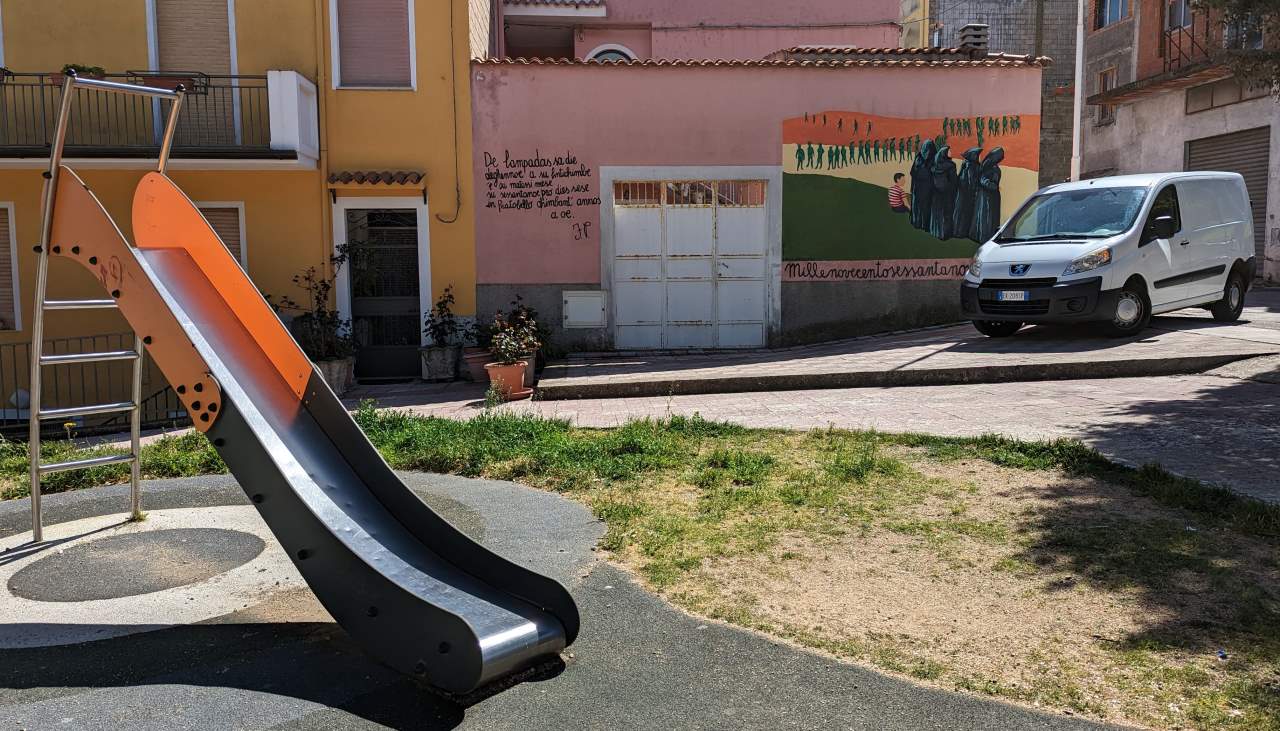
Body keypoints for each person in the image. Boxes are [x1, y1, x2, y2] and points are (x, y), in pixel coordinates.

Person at [972, 147, 1005, 243]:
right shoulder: (993, 168)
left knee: (985, 217)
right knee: (988, 218)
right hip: (989, 197)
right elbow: (984, 180)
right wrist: (994, 186)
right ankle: (985, 237)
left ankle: (983, 236)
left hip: (986, 196)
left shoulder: (986, 165)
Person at [929, 144, 959, 240]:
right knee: (947, 213)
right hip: (948, 194)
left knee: (937, 212)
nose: (951, 153)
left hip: (937, 194)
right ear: (945, 153)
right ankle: (945, 234)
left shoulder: (935, 166)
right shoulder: (951, 166)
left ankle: (936, 231)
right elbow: (954, 181)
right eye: (949, 151)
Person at [953, 147, 983, 241]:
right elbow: (972, 182)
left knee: (960, 212)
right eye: (979, 156)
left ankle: (958, 231)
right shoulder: (973, 166)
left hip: (962, 194)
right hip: (968, 195)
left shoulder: (965, 164)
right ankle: (962, 232)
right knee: (966, 213)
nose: (980, 158)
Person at [909, 139, 936, 232]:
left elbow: (913, 173)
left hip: (922, 188)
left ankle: (919, 223)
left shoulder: (919, 157)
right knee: (923, 206)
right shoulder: (928, 158)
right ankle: (921, 224)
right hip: (924, 188)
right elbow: (913, 172)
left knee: (922, 206)